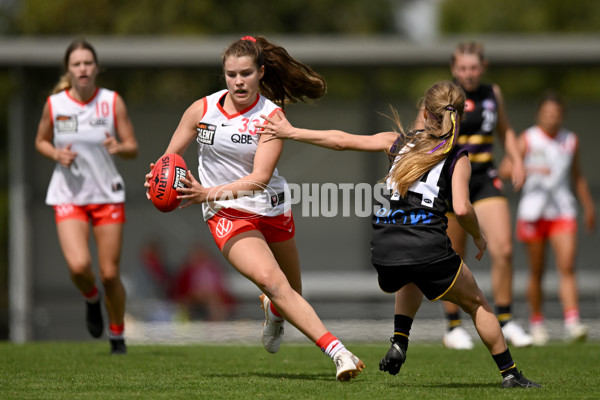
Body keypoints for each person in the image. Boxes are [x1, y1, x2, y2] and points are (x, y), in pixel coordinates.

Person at [258, 80, 541, 388]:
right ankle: (511, 373)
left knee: (412, 272)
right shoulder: (457, 157)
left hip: (384, 249)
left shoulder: (397, 142)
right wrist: (478, 236)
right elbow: (462, 209)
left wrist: (291, 132)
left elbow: (339, 140)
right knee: (477, 304)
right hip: (426, 246)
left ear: (426, 113)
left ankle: (400, 342)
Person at [143, 35, 364, 381]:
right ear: (224, 75)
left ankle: (274, 314)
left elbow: (260, 179)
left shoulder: (272, 117)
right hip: (226, 214)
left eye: (246, 73)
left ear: (261, 72)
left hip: (270, 206)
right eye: (231, 74)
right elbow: (169, 161)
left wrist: (206, 192)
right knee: (275, 284)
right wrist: (156, 180)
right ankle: (339, 353)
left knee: (289, 294)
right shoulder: (201, 111)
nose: (238, 81)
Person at [419, 41, 533, 349]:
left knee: (505, 249)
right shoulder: (443, 97)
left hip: (484, 178)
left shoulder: (492, 94)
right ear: (454, 69)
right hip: (452, 179)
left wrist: (517, 158)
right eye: (462, 68)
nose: (468, 73)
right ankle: (453, 326)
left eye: (473, 67)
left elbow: (506, 130)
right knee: (452, 255)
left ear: (483, 67)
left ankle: (506, 320)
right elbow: (420, 132)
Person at [35, 39, 138, 354]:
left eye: (87, 63)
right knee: (80, 267)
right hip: (69, 194)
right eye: (76, 63)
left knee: (109, 273)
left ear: (96, 68)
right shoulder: (55, 105)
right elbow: (40, 141)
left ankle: (117, 335)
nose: (82, 68)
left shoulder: (111, 101)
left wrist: (119, 148)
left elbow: (132, 146)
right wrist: (56, 154)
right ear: (69, 69)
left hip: (107, 195)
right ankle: (91, 299)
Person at [500, 91, 595, 345]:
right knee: (537, 271)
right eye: (547, 114)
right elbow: (505, 169)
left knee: (567, 267)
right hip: (533, 212)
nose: (552, 119)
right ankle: (537, 322)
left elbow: (577, 175)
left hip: (562, 211)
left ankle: (573, 321)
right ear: (539, 115)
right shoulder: (527, 139)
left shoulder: (570, 140)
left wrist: (588, 206)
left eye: (556, 114)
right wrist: (527, 168)